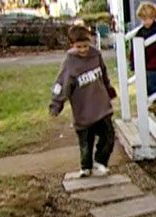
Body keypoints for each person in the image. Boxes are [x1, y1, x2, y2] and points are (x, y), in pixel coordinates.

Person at [49, 25, 117, 178]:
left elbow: (104, 74)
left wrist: (109, 89)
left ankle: (101, 161)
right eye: (79, 47)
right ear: (72, 45)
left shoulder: (96, 55)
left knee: (109, 136)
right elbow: (61, 84)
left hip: (101, 105)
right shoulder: (70, 62)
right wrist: (56, 104)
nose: (83, 50)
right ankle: (85, 167)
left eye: (86, 45)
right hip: (83, 109)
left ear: (90, 41)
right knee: (86, 142)